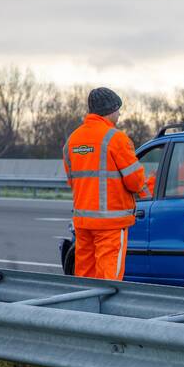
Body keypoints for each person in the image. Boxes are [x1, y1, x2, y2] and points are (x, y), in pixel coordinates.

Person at [63, 87, 149, 280]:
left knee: (85, 276)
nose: (119, 114)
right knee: (110, 278)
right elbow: (135, 182)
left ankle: (83, 310)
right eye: (118, 109)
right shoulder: (116, 139)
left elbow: (73, 180)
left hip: (83, 222)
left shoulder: (72, 140)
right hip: (110, 223)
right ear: (110, 110)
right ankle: (104, 311)